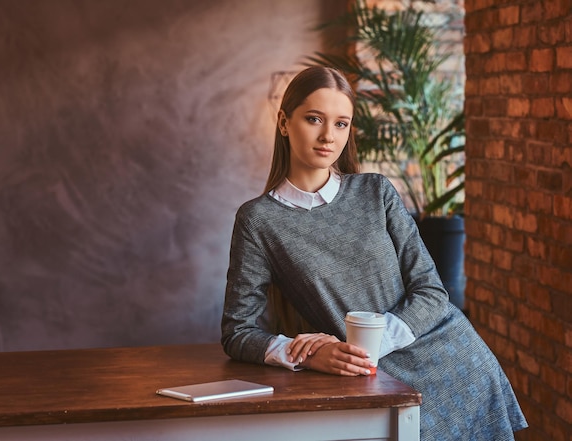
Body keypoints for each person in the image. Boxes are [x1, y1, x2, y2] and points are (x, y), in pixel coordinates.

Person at [220, 66, 527, 440]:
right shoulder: (259, 219)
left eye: (341, 124)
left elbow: (431, 292)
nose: (327, 136)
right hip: (372, 377)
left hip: (453, 360)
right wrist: (308, 354)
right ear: (284, 122)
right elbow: (238, 331)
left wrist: (364, 345)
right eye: (314, 119)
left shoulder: (376, 192)